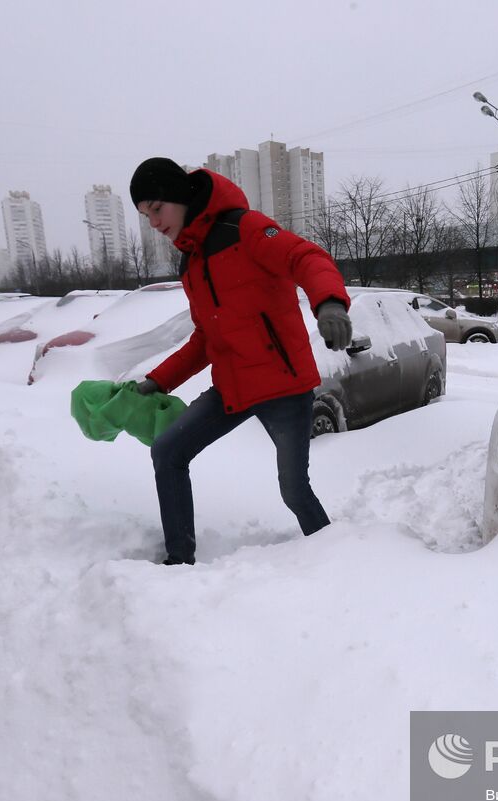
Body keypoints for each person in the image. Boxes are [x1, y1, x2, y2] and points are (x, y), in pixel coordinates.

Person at [128, 157, 353, 566]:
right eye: (146, 216)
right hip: (234, 388)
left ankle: (336, 563)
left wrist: (330, 304)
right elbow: (204, 339)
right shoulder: (191, 263)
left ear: (179, 196)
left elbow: (307, 258)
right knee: (168, 451)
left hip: (284, 387)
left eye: (157, 209)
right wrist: (157, 382)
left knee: (293, 489)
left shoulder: (245, 228)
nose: (154, 223)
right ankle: (179, 560)